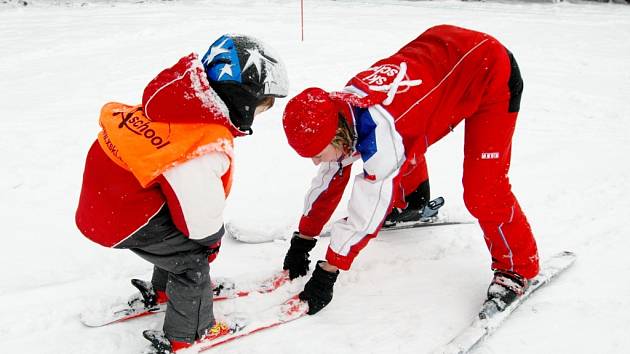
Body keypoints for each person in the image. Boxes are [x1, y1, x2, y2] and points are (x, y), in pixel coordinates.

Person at [281, 24, 540, 317]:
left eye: (317, 154)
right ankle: (412, 201)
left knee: (483, 189)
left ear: (336, 136)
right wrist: (304, 238)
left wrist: (328, 271)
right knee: (405, 141)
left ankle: (517, 268)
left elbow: (367, 210)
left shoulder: (384, 132)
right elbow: (330, 176)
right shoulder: (340, 111)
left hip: (489, 70)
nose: (316, 162)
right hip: (445, 60)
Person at [75, 34, 288, 353]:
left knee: (174, 239)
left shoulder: (175, 104)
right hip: (124, 217)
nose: (256, 116)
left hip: (105, 205)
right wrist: (209, 242)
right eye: (259, 108)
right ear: (240, 99)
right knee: (191, 261)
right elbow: (199, 217)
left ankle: (164, 292)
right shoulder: (201, 142)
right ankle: (190, 332)